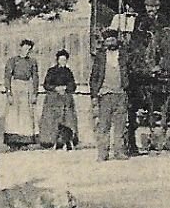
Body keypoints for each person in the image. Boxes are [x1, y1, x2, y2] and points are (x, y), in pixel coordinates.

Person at [90, 29, 131, 160]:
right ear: (104, 42)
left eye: (112, 40)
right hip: (105, 94)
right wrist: (94, 95)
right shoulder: (100, 57)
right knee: (104, 125)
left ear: (116, 41)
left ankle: (119, 151)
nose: (110, 43)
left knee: (120, 125)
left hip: (121, 94)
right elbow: (94, 77)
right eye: (107, 41)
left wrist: (127, 87)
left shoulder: (123, 55)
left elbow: (129, 72)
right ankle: (103, 153)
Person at [2, 39, 39, 149]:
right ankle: (13, 142)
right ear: (20, 48)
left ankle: (25, 141)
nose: (27, 51)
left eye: (29, 49)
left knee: (26, 115)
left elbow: (35, 78)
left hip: (27, 89)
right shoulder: (12, 61)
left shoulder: (32, 62)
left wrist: (34, 94)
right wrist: (9, 93)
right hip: (15, 88)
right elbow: (7, 77)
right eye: (25, 48)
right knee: (13, 114)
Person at [39, 49, 80, 150]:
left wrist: (66, 88)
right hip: (53, 98)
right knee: (53, 120)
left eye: (64, 60)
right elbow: (46, 84)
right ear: (57, 60)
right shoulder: (51, 71)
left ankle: (68, 141)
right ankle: (51, 141)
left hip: (65, 98)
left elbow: (73, 85)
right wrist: (55, 88)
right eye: (61, 60)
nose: (63, 62)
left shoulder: (68, 71)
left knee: (67, 120)